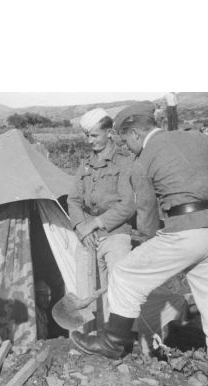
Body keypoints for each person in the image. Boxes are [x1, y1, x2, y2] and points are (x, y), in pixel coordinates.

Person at [71, 101, 208, 386]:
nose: (128, 147)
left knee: (124, 275)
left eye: (126, 141)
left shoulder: (143, 160)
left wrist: (152, 248)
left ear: (137, 133)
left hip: (184, 232)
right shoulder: (200, 139)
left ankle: (113, 343)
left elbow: (148, 214)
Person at [67, 108, 147, 320]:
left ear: (109, 132)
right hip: (87, 237)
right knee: (84, 292)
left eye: (94, 135)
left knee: (118, 291)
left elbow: (127, 205)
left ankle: (117, 341)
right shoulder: (85, 164)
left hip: (116, 234)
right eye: (87, 135)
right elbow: (73, 200)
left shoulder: (125, 162)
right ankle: (87, 339)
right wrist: (81, 228)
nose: (89, 141)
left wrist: (94, 224)